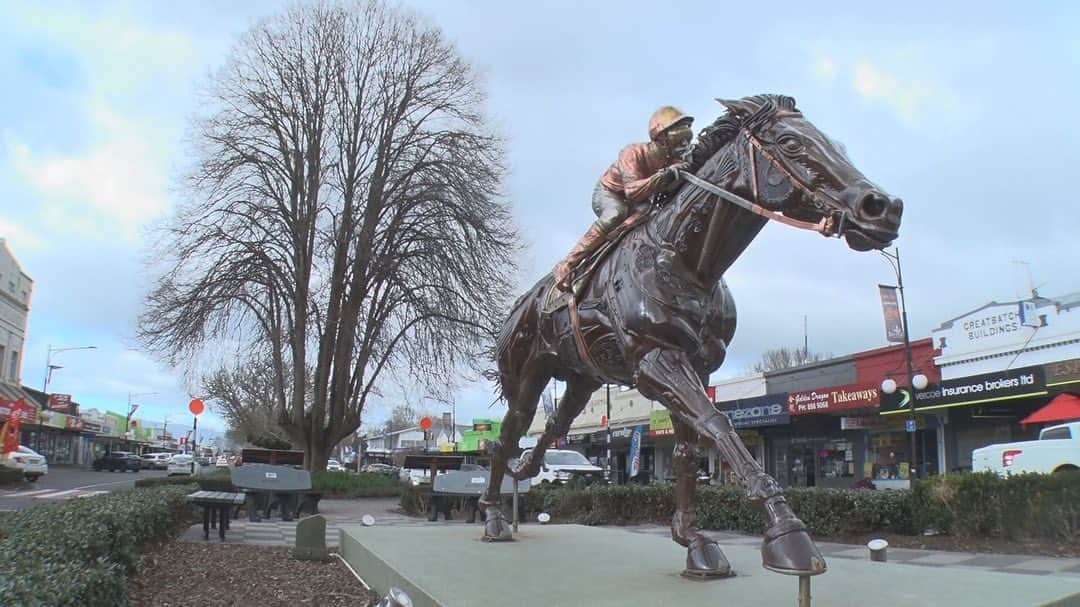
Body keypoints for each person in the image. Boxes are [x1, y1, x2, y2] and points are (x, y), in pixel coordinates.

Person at [552, 106, 694, 290]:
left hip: (641, 204)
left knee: (651, 218)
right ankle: (568, 264)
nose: (683, 146)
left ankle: (614, 247)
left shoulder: (675, 161)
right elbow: (632, 192)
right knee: (615, 213)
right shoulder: (632, 152)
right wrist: (662, 176)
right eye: (678, 140)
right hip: (610, 193)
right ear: (662, 138)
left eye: (686, 139)